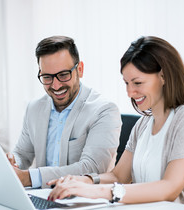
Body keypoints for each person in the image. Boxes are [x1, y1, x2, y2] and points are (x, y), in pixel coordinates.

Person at [48, 36, 184, 210]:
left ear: (163, 76)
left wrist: (96, 191)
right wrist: (84, 181)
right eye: (126, 83)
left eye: (138, 83)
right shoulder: (143, 124)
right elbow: (119, 176)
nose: (130, 92)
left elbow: (169, 188)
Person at [7, 36, 121, 189]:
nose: (55, 85)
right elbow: (23, 152)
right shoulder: (34, 108)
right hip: (42, 196)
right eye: (47, 77)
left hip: (84, 201)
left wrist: (28, 178)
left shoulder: (104, 110)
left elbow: (92, 168)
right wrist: (12, 162)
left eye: (63, 75)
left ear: (79, 69)